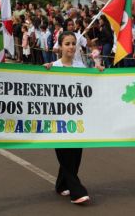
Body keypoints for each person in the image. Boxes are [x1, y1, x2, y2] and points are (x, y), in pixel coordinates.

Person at [45, 31, 100, 204]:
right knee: (65, 155)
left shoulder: (80, 66)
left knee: (75, 155)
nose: (70, 47)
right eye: (67, 43)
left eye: (73, 43)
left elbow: (89, 87)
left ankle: (61, 185)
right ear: (60, 46)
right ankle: (77, 191)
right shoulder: (52, 66)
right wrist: (43, 72)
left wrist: (99, 72)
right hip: (58, 120)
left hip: (77, 120)